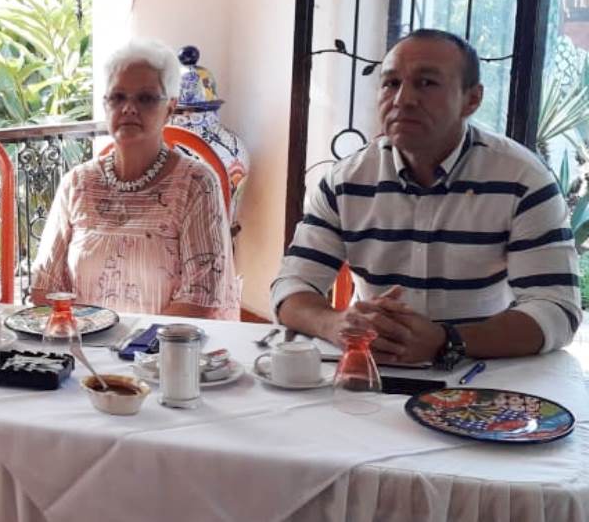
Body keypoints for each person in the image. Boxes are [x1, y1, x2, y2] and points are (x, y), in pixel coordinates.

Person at [272, 29, 581, 366]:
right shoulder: (346, 181)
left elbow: (556, 309)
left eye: (426, 83)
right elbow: (291, 287)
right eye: (391, 83)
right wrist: (336, 324)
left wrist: (448, 341)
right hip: (373, 367)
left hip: (482, 370)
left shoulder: (522, 179)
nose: (403, 99)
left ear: (472, 100)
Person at [30, 39, 239, 320]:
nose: (129, 108)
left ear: (170, 108)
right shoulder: (77, 184)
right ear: (105, 105)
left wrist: (130, 343)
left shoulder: (196, 184)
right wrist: (86, 337)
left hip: (166, 345)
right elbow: (44, 286)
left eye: (146, 98)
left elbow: (200, 299)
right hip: (84, 341)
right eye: (118, 97)